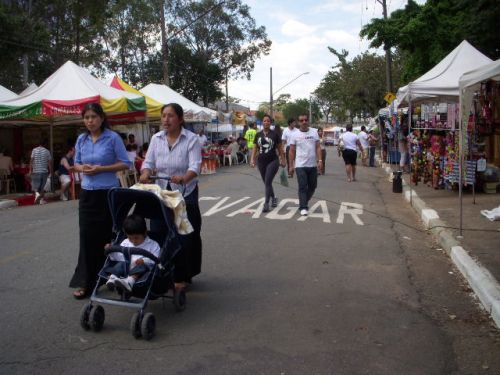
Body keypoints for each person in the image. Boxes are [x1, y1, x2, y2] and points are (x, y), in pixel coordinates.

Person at [69, 103, 131, 299]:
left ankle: (109, 275)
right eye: (86, 117)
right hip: (87, 194)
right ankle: (86, 282)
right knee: (87, 238)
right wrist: (82, 168)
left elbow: (126, 163)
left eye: (93, 117)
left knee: (107, 238)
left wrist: (101, 169)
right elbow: (75, 164)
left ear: (102, 118)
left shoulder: (112, 138)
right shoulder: (82, 139)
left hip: (108, 194)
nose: (90, 121)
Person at [139, 103, 202, 292]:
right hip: (161, 192)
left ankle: (184, 276)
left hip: (184, 193)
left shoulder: (191, 139)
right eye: (164, 116)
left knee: (185, 235)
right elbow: (148, 162)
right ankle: (162, 272)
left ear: (180, 119)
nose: (166, 119)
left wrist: (184, 178)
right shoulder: (156, 138)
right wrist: (145, 172)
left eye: (171, 116)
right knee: (158, 231)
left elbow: (195, 166)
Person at [105, 214, 161, 292]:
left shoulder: (152, 244)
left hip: (141, 272)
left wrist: (144, 260)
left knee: (142, 266)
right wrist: (111, 250)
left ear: (144, 233)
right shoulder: (125, 242)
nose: (134, 241)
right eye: (130, 238)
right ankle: (112, 278)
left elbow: (156, 259)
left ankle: (129, 281)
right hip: (125, 268)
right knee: (120, 263)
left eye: (136, 238)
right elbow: (119, 256)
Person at [250, 114, 285, 212]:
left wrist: (283, 160)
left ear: (270, 123)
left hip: (273, 161)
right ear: (262, 122)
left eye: (268, 121)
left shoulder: (275, 134)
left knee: (268, 181)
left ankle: (266, 203)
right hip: (261, 161)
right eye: (264, 121)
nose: (266, 122)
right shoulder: (258, 134)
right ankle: (273, 198)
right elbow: (255, 148)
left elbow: (280, 149)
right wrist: (252, 159)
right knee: (266, 182)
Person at [289, 114, 322, 216]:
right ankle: (303, 207)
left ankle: (303, 202)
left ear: (308, 121)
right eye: (301, 120)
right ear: (298, 122)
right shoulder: (294, 134)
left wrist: (320, 160)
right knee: (302, 186)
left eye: (305, 120)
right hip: (300, 165)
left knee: (313, 186)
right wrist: (291, 165)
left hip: (312, 165)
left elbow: (318, 147)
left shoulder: (314, 132)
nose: (304, 122)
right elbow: (291, 151)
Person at [30, 138, 52, 204]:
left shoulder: (34, 150)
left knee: (36, 185)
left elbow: (31, 160)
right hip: (44, 171)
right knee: (42, 187)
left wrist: (30, 170)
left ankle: (37, 194)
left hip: (36, 171)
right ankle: (41, 199)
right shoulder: (47, 151)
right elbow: (49, 163)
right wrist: (51, 171)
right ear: (45, 144)